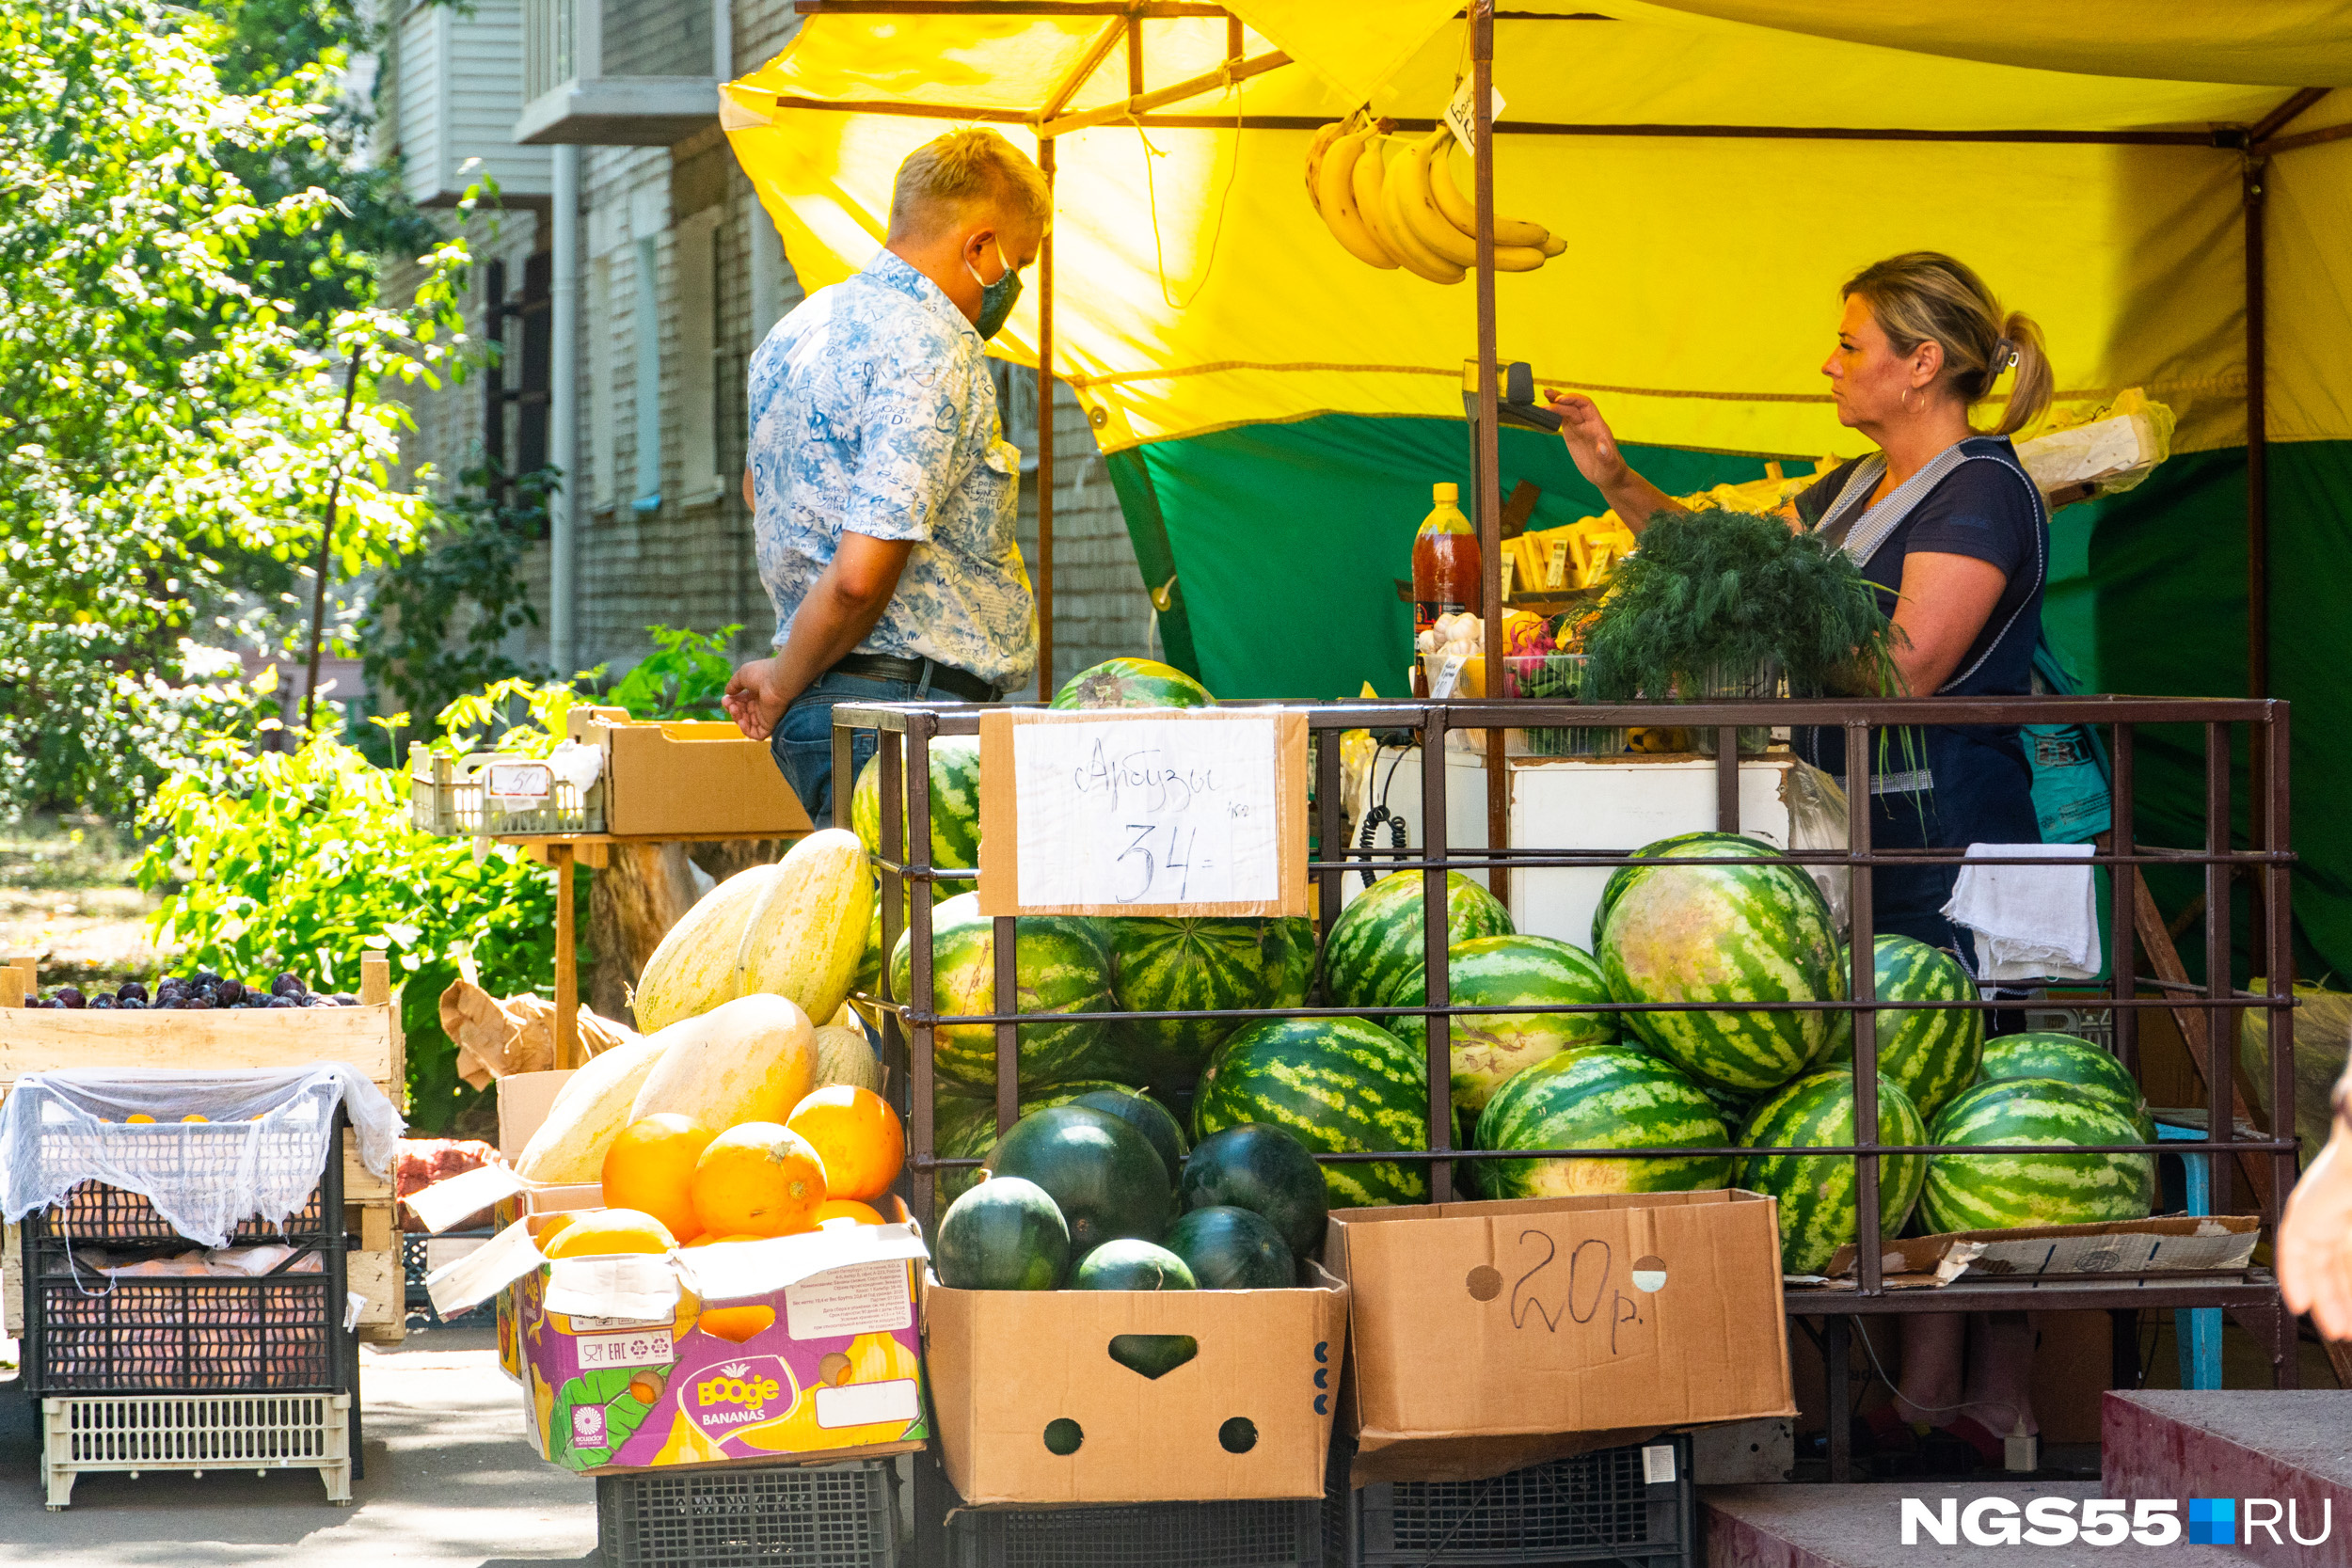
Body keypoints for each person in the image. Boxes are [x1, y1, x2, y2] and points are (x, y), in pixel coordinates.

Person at [1549, 252, 2058, 1465]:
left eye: (1848, 343)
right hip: (1871, 842)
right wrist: (1616, 478)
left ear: (1919, 363)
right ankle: (1932, 1396)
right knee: (1901, 1104)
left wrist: (1790, 616)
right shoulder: (1850, 491)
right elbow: (1726, 562)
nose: (1827, 363)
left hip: (1956, 846)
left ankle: (1978, 1404)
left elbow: (1905, 664)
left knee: (1964, 1111)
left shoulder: (1977, 493)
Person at [723, 128, 1049, 819]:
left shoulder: (796, 332)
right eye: (1019, 263)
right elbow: (860, 575)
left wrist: (791, 681)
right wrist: (779, 682)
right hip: (910, 723)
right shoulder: (930, 346)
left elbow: (761, 493)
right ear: (980, 249)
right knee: (936, 932)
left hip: (836, 712)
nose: (1014, 286)